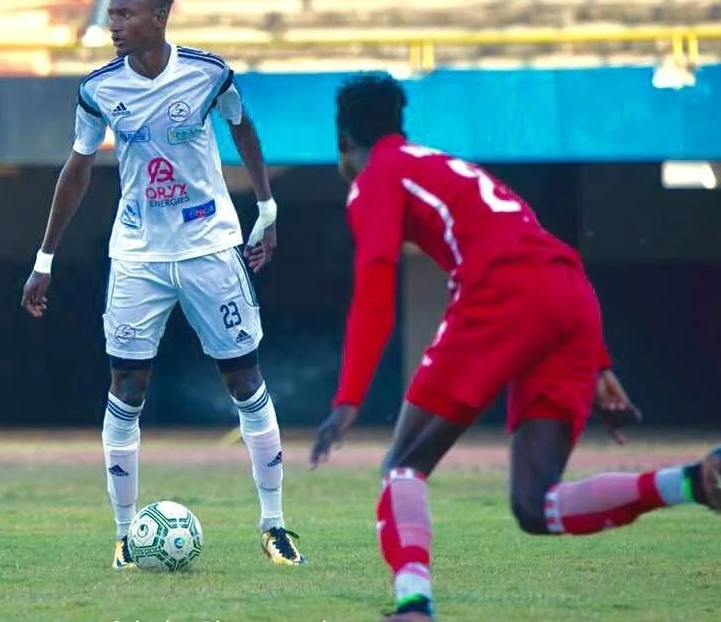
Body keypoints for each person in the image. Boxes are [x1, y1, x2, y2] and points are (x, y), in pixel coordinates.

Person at [308, 73, 721, 620]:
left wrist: (348, 398)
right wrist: (598, 361)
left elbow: (376, 281)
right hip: (570, 295)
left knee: (403, 467)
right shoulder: (444, 164)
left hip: (501, 295)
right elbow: (540, 251)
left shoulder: (376, 176)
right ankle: (693, 482)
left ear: (343, 142)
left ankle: (413, 603)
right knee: (535, 505)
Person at [22, 0, 306, 569]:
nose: (114, 25)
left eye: (125, 15)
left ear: (159, 17)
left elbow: (243, 127)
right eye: (112, 14)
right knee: (127, 388)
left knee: (244, 380)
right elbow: (76, 171)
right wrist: (45, 258)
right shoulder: (99, 89)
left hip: (210, 248)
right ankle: (125, 537)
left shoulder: (208, 73)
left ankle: (275, 526)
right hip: (137, 256)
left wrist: (267, 208)